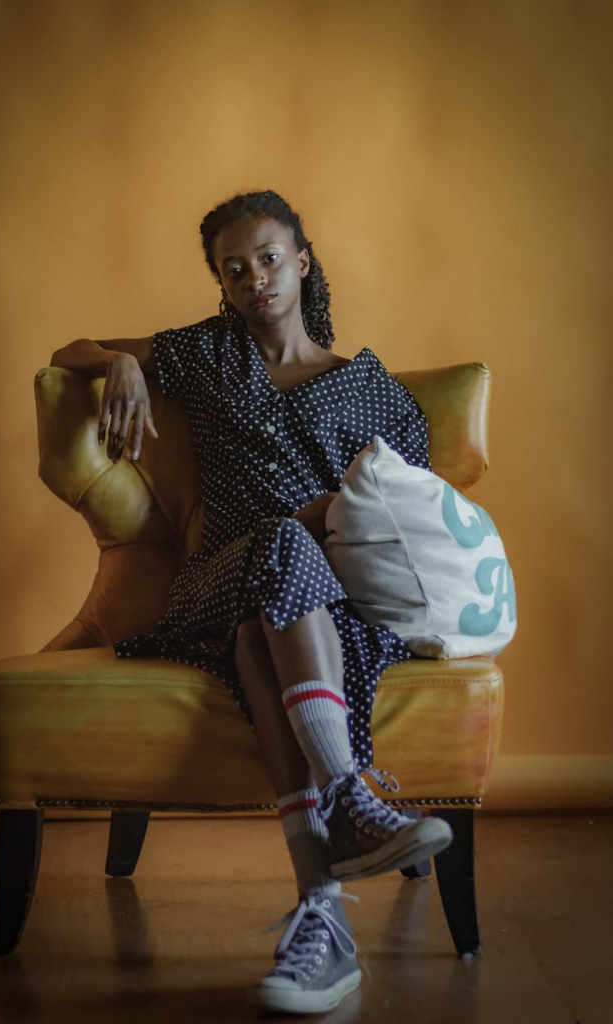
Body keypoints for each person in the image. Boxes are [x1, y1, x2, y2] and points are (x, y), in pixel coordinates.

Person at [51, 189, 453, 1015]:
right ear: (223, 285)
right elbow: (69, 347)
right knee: (275, 546)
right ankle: (349, 796)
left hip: (316, 611)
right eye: (234, 269)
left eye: (269, 258)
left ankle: (322, 916)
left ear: (302, 261)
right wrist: (121, 362)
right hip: (211, 582)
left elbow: (407, 517)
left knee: (257, 635)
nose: (254, 278)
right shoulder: (207, 355)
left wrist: (322, 527)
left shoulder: (373, 391)